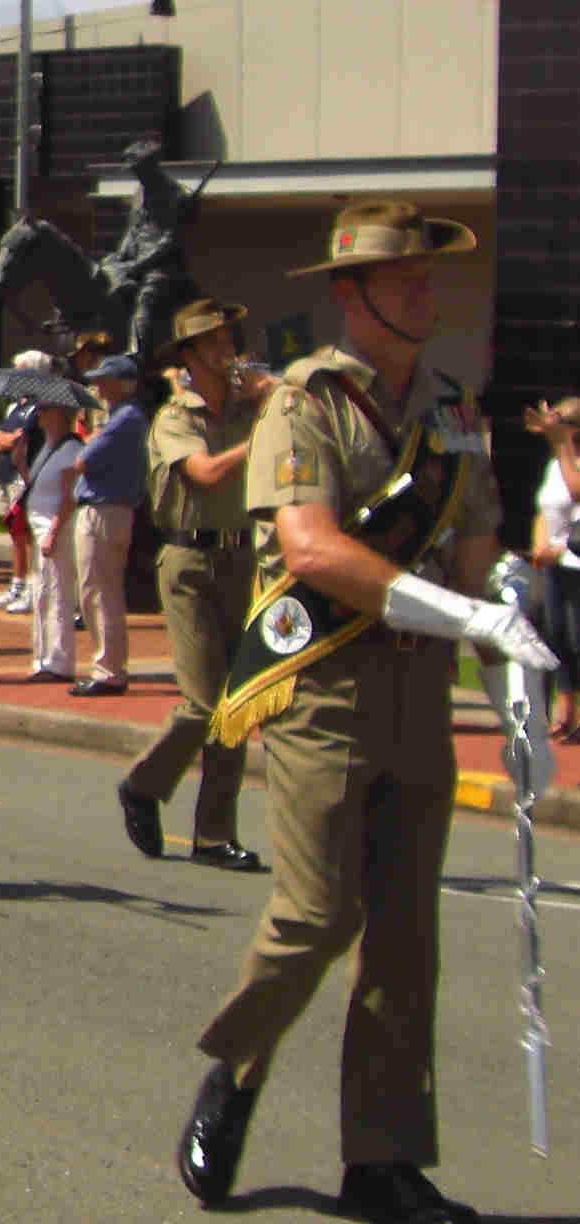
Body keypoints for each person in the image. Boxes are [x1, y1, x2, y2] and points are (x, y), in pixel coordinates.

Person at [175, 200, 554, 1224]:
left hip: (417, 692)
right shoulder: (303, 401)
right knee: (312, 915)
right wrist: (457, 605)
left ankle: (382, 1161)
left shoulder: (448, 409)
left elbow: (475, 557)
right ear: (349, 293)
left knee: (401, 938)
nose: (421, 294)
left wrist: (514, 670)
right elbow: (309, 550)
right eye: (402, 279)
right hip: (323, 690)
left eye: (427, 278)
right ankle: (236, 1065)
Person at [117, 300, 269, 871]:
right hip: (189, 560)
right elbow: (203, 474)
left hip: (241, 558)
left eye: (228, 340)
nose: (224, 351)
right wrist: (261, 437)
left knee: (236, 704)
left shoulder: (248, 410)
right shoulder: (177, 418)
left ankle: (213, 834)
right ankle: (143, 783)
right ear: (187, 356)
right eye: (210, 343)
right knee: (204, 702)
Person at [70, 354, 151, 696]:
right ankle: (108, 666)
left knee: (100, 592)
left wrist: (90, 439)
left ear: (123, 383)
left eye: (104, 380)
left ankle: (109, 670)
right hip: (106, 509)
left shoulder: (125, 418)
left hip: (105, 510)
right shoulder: (121, 417)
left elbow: (83, 461)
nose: (98, 386)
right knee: (98, 591)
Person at [0, 350, 57, 612]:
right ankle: (17, 584)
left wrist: (6, 440)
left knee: (28, 533)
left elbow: (20, 440)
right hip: (7, 474)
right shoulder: (16, 405)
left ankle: (31, 587)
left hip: (27, 475)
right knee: (15, 532)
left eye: (19, 370)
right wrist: (4, 440)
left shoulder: (43, 405)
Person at [526, 395, 580, 742]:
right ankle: (565, 715)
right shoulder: (553, 465)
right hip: (555, 564)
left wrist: (561, 445)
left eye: (561, 418)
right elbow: (545, 509)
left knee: (578, 639)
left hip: (575, 560)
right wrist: (539, 545)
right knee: (556, 637)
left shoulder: (569, 462)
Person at [22, 394, 84, 682]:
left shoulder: (71, 449)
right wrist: (20, 461)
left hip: (54, 529)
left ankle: (58, 662)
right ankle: (42, 657)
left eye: (45, 409)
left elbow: (68, 498)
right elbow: (35, 487)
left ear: (60, 413)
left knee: (58, 595)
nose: (40, 415)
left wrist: (54, 531)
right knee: (42, 594)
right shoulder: (47, 447)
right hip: (38, 528)